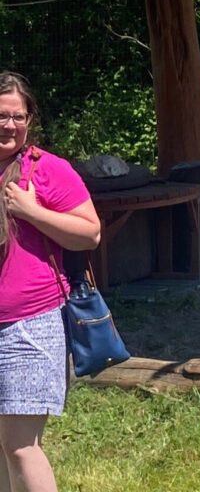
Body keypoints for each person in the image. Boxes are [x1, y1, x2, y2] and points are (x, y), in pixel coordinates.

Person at [0, 71, 101, 492]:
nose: (9, 125)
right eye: (1, 116)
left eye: (18, 116)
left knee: (21, 446)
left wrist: (31, 211)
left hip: (30, 324)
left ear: (30, 120)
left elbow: (90, 233)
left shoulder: (48, 169)